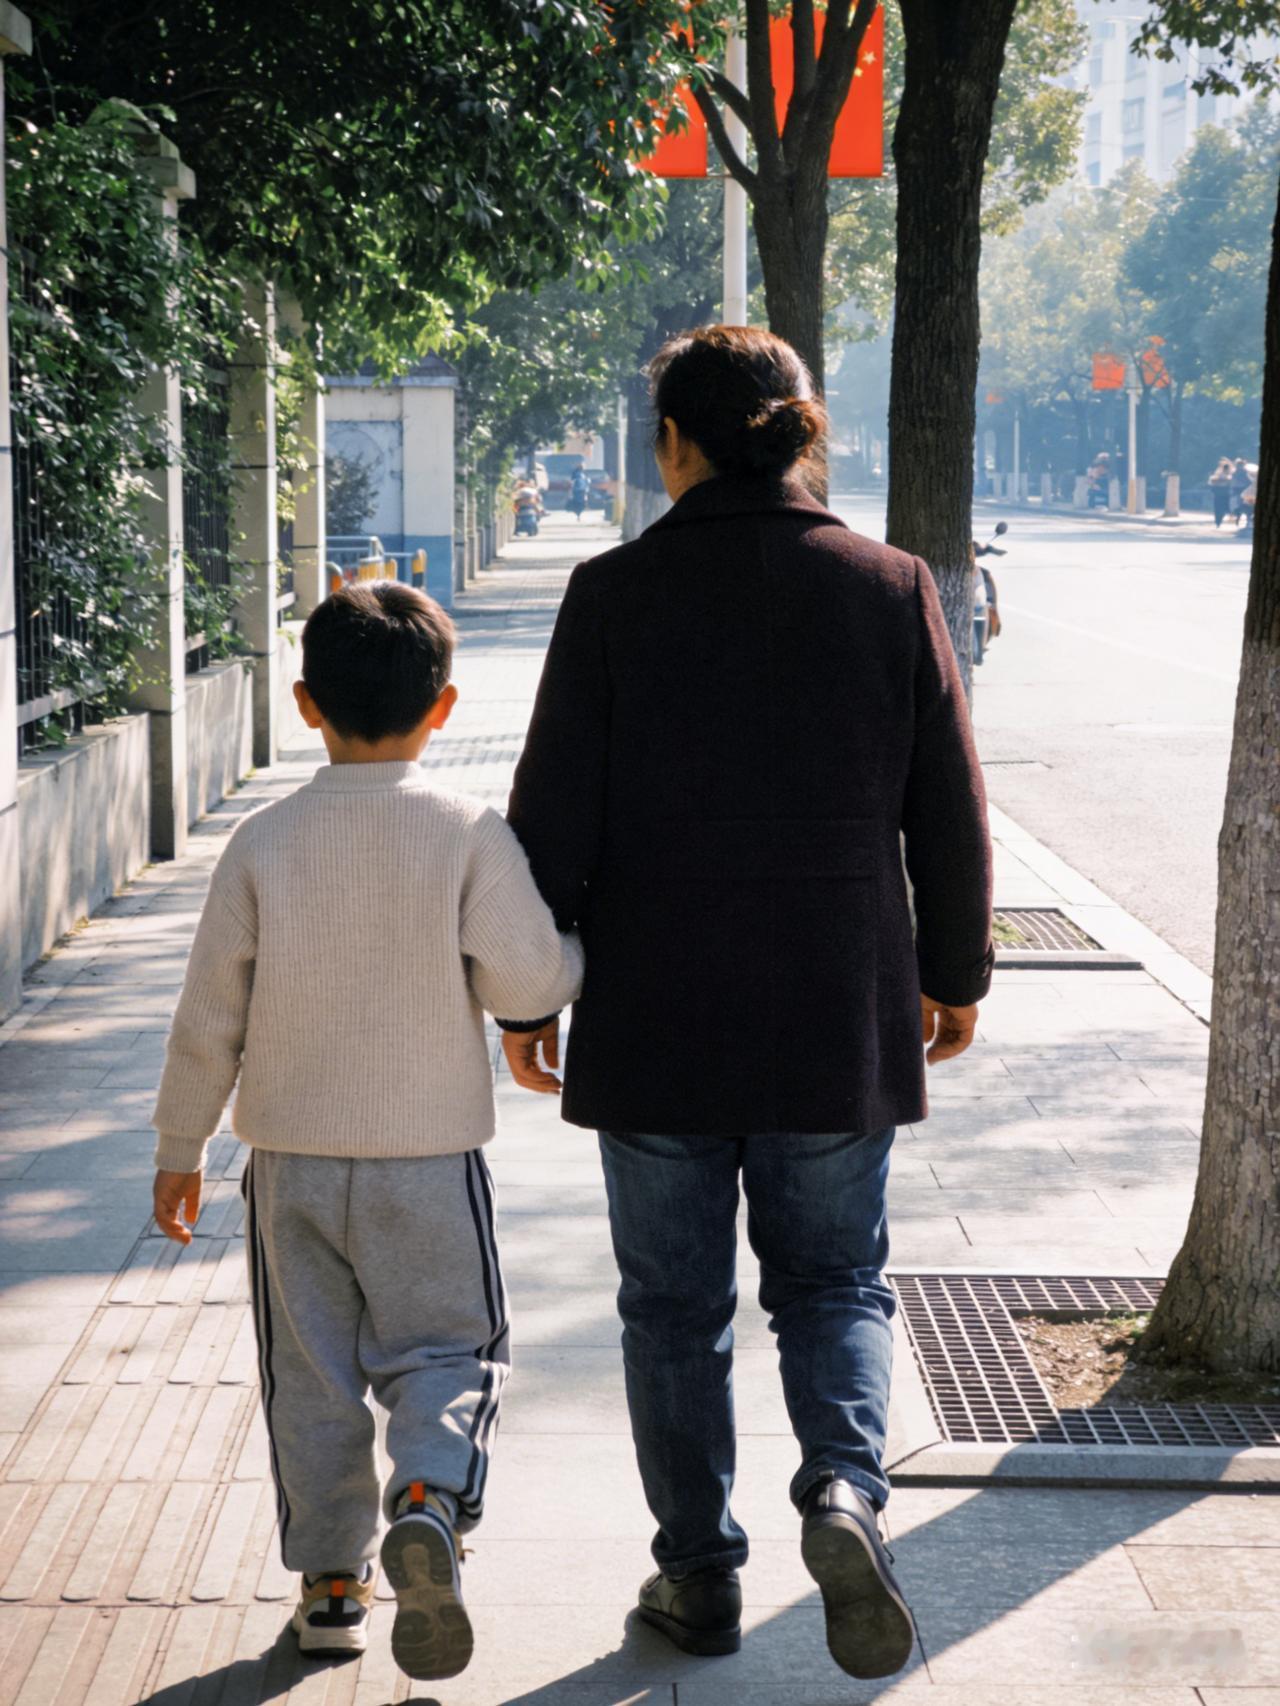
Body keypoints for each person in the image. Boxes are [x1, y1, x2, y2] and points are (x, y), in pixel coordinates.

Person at [499, 326, 993, 1682]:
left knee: (672, 1307)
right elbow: (946, 802)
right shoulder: (890, 586)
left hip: (656, 1012)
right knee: (836, 1277)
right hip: (833, 1001)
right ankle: (844, 1489)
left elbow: (553, 816)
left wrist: (527, 991)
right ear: (800, 434)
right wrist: (953, 970)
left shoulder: (611, 593)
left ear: (675, 442)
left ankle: (698, 1575)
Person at [149, 582, 582, 1682]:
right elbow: (529, 974)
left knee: (310, 1371)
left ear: (305, 704)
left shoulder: (261, 841)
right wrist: (575, 966)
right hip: (429, 1157)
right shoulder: (466, 832)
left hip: (286, 1161)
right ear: (441, 708)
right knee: (448, 1347)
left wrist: (179, 1147)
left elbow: (209, 1015)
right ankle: (430, 1500)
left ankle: (332, 1586)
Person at [1208, 457, 1234, 528]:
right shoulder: (1218, 473)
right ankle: (1218, 521)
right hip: (1219, 492)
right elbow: (1212, 481)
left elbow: (1232, 481)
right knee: (1218, 508)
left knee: (1223, 508)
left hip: (1225, 493)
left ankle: (1219, 520)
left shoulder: (1231, 473)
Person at [1230, 456, 1252, 527]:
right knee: (1241, 505)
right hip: (1239, 491)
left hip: (1243, 491)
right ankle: (1242, 518)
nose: (1240, 466)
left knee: (1244, 505)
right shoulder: (1237, 473)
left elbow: (1249, 481)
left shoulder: (1244, 472)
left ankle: (1245, 519)